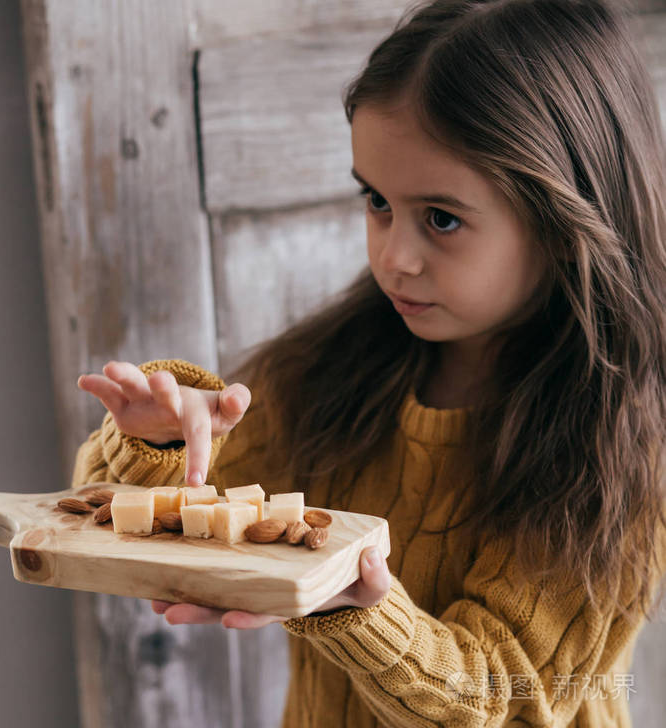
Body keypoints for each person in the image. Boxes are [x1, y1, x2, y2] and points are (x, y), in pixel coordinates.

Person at [73, 0, 666, 725]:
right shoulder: (327, 374)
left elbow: (500, 695)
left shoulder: (624, 456)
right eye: (377, 201)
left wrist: (355, 608)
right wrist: (162, 446)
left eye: (441, 218)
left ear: (568, 216)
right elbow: (104, 522)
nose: (394, 257)